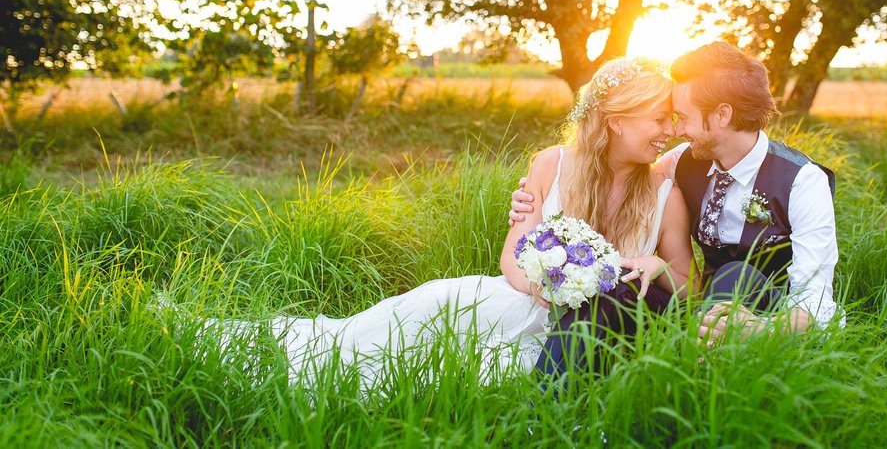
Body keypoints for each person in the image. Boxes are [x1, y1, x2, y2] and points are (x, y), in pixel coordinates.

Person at [169, 57, 697, 395]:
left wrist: (660, 266)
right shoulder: (552, 164)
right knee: (365, 341)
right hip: (506, 301)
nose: (669, 131)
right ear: (616, 121)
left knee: (461, 379)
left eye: (673, 120)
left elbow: (688, 285)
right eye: (659, 119)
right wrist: (534, 284)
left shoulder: (663, 196)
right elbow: (513, 251)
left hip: (576, 334)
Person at [510, 42, 843, 354]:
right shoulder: (682, 161)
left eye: (682, 116)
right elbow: (622, 172)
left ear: (722, 115)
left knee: (735, 273)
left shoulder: (802, 182)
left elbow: (814, 302)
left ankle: (708, 372)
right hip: (703, 310)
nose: (676, 130)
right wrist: (536, 193)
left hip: (773, 315)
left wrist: (762, 329)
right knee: (614, 290)